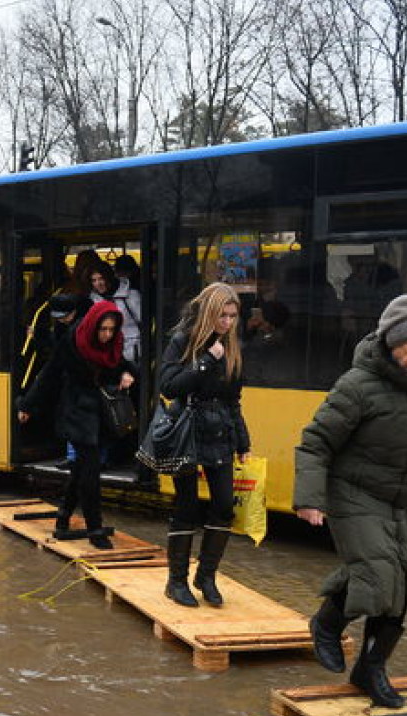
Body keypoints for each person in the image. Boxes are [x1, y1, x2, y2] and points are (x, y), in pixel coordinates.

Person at [295, 295, 407, 708]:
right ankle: (326, 624)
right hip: (357, 492)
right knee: (379, 571)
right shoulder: (357, 386)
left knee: (405, 581)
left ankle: (371, 669)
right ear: (394, 341)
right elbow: (315, 443)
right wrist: (309, 498)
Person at [158, 282, 251, 607]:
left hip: (220, 433)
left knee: (224, 504)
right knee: (186, 506)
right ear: (209, 313)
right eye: (222, 316)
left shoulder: (233, 347)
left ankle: (206, 576)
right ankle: (176, 581)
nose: (227, 323)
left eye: (232, 316)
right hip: (186, 430)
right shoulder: (183, 340)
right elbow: (169, 387)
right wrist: (205, 361)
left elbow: (233, 400)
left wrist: (243, 440)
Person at [17, 295, 134, 549]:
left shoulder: (113, 345)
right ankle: (95, 529)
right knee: (90, 472)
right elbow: (49, 373)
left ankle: (63, 514)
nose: (106, 335)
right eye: (103, 329)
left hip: (100, 412)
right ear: (93, 326)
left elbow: (121, 364)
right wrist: (27, 405)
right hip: (77, 412)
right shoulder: (73, 341)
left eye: (111, 330)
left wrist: (126, 373)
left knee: (82, 468)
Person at [90, 255, 143, 362]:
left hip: (132, 352)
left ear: (109, 277)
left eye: (101, 278)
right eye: (94, 280)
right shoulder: (92, 301)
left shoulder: (131, 295)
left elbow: (144, 321)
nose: (98, 284)